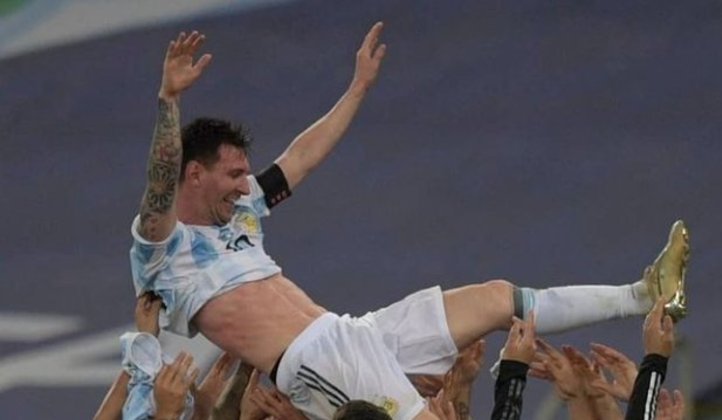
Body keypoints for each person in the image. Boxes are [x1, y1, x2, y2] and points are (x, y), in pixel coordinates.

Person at [129, 23, 689, 420]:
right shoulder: (163, 248)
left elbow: (300, 158)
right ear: (194, 174)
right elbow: (159, 184)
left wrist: (357, 89)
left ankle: (641, 294)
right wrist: (168, 99)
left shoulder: (241, 211)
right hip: (314, 364)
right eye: (231, 175)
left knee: (497, 298)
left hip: (353, 332)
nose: (243, 184)